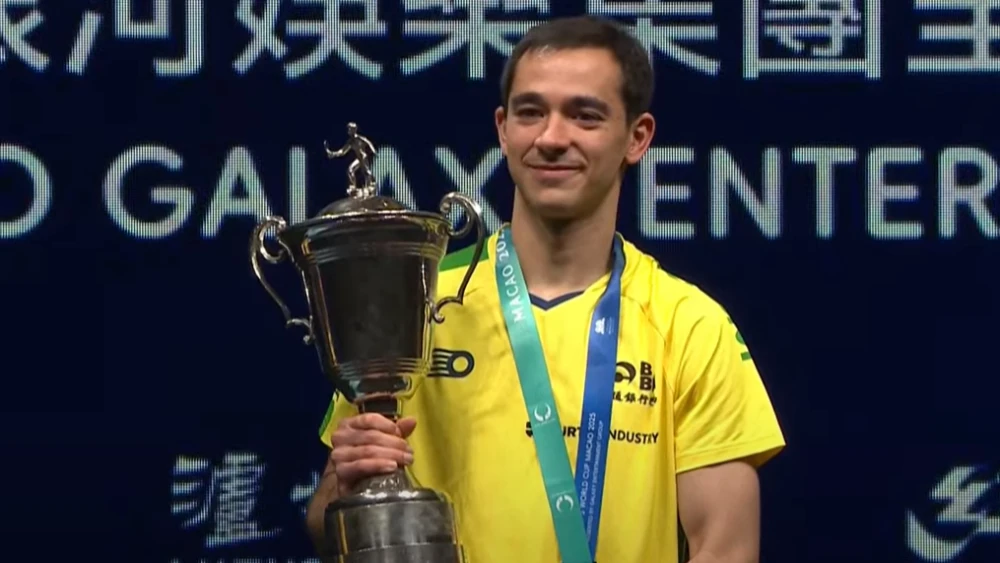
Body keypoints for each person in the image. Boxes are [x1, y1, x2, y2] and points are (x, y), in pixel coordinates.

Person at [306, 14, 785, 563]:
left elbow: (724, 549)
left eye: (585, 115)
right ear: (503, 129)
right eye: (532, 112)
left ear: (637, 137)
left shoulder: (690, 326)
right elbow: (326, 521)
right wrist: (349, 485)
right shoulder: (418, 301)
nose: (552, 138)